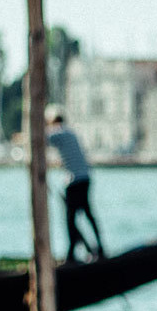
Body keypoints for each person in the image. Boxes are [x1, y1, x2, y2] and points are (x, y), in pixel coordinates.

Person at [48, 109, 104, 262]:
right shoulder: (71, 133)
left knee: (70, 219)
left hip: (74, 181)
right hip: (85, 178)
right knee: (88, 214)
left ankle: (71, 255)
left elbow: (40, 139)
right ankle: (100, 248)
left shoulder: (58, 132)